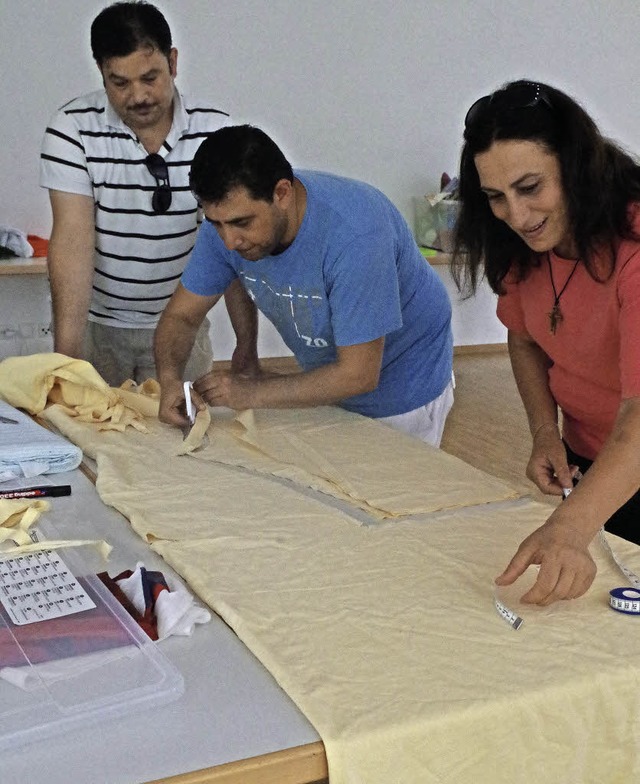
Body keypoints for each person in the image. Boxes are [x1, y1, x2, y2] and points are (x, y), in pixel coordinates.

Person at [453, 79, 640, 606]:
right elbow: (526, 338)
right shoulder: (522, 246)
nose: (516, 216)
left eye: (530, 187)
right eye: (495, 197)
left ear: (576, 167)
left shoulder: (634, 245)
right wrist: (544, 432)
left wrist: (570, 526)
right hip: (596, 458)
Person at [155, 124, 454, 445]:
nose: (228, 241)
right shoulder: (227, 225)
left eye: (242, 223)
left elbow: (360, 374)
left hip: (403, 384)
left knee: (391, 489)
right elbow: (182, 316)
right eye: (216, 224)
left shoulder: (357, 234)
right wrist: (171, 380)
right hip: (331, 378)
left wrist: (249, 391)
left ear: (282, 194)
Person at [40, 1, 257, 386]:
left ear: (172, 62)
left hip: (182, 325)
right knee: (94, 436)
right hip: (98, 329)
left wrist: (247, 344)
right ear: (102, 73)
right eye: (119, 83)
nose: (137, 96)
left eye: (150, 78)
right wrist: (67, 357)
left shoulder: (216, 134)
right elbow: (73, 238)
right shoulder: (71, 129)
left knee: (184, 437)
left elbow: (232, 245)